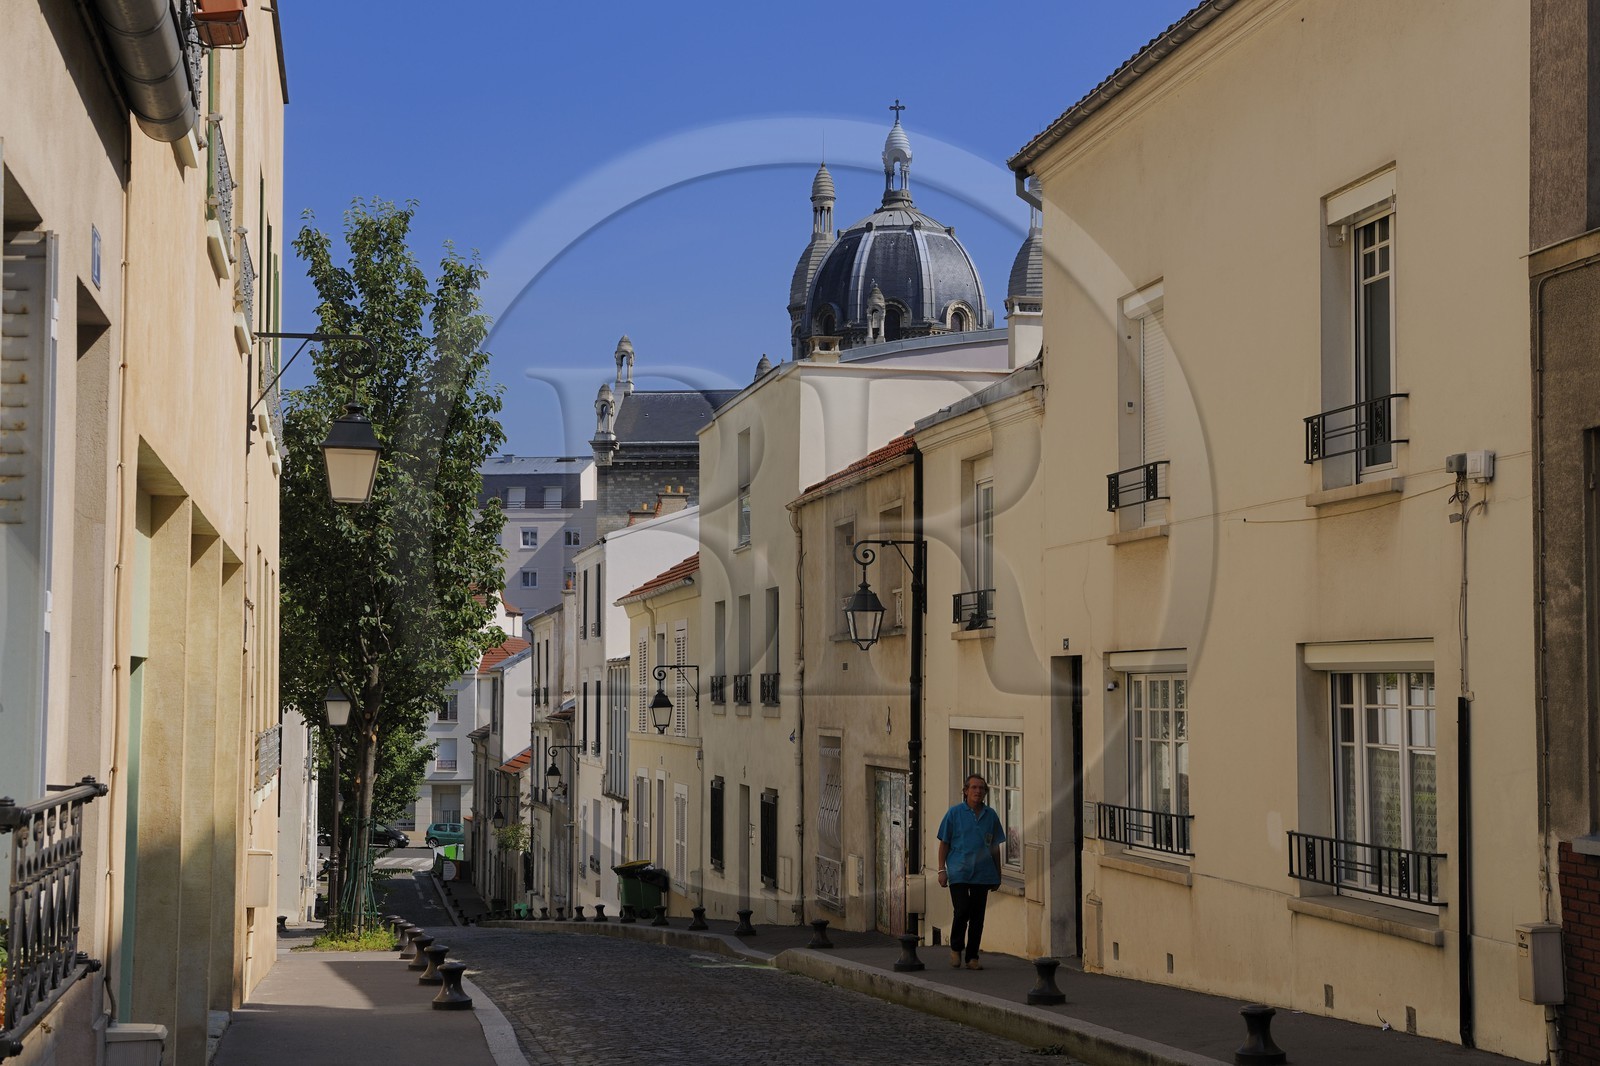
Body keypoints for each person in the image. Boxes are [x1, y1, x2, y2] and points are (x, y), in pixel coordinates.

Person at [936, 773, 1005, 970]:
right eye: (974, 788)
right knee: (962, 909)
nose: (978, 791)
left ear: (985, 793)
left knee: (977, 916)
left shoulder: (990, 815)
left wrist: (997, 874)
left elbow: (995, 846)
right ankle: (956, 948)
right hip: (958, 870)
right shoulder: (954, 814)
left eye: (981, 788)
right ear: (965, 791)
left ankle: (972, 957)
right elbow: (944, 843)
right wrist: (942, 870)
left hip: (983, 872)